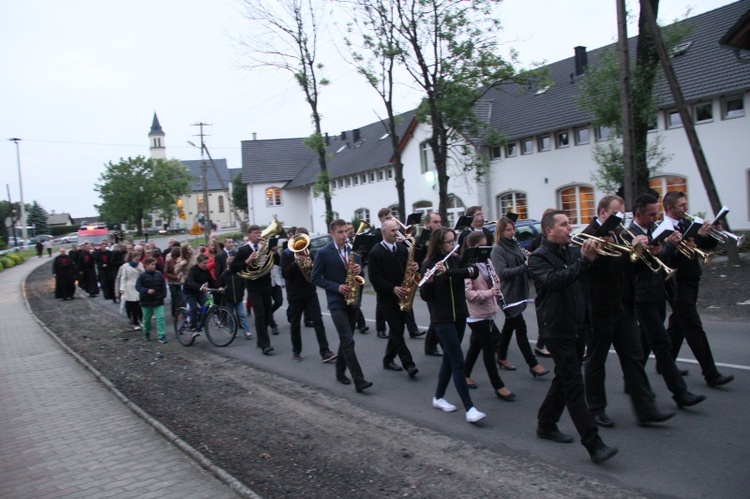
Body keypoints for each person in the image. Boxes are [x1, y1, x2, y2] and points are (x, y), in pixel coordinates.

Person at [528, 210, 617, 464]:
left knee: (564, 378)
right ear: (549, 231)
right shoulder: (538, 258)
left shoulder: (570, 250)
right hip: (556, 329)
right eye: (564, 224)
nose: (570, 228)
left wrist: (599, 253)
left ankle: (546, 423)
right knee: (575, 385)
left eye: (569, 223)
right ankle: (594, 443)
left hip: (576, 325)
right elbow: (556, 281)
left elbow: (587, 274)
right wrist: (585, 261)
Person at [583, 195, 674, 428]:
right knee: (596, 360)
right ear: (603, 213)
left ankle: (645, 410)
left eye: (623, 214)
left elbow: (630, 267)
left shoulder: (622, 234)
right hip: (600, 308)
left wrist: (647, 253)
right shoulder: (588, 234)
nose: (621, 218)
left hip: (624, 306)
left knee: (634, 358)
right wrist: (629, 251)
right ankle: (596, 409)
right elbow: (598, 271)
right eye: (616, 213)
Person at [629, 194, 707, 409]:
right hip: (642, 296)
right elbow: (633, 268)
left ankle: (631, 381)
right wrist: (655, 250)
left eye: (656, 214)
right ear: (638, 214)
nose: (655, 218)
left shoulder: (653, 231)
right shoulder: (630, 234)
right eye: (651, 214)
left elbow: (663, 260)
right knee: (662, 342)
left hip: (659, 292)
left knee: (644, 342)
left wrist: (669, 247)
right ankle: (680, 392)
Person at [662, 191, 734, 387]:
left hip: (692, 280)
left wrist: (713, 232)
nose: (686, 208)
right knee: (693, 328)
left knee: (678, 324)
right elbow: (672, 258)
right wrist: (698, 237)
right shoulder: (665, 230)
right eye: (681, 205)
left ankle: (665, 362)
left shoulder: (686, 224)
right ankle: (711, 374)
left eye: (686, 204)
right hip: (677, 284)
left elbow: (702, 247)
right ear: (669, 208)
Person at [420, 227, 486, 423]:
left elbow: (472, 273)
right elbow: (425, 296)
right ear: (439, 244)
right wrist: (430, 281)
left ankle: (438, 397)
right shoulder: (429, 264)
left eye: (453, 241)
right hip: (442, 319)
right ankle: (470, 409)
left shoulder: (456, 260)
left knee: (449, 358)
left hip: (460, 315)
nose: (453, 245)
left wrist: (448, 272)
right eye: (449, 242)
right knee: (458, 360)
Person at [311, 219, 373, 393]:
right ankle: (359, 380)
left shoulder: (353, 249)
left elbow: (360, 268)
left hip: (352, 300)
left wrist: (359, 270)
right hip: (336, 302)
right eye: (340, 232)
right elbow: (315, 278)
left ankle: (339, 372)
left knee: (347, 339)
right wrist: (336, 287)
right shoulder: (323, 252)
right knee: (348, 340)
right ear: (332, 233)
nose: (345, 235)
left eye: (346, 231)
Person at [491, 217, 549, 378]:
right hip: (507, 294)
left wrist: (528, 259)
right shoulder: (497, 249)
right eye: (508, 230)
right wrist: (524, 266)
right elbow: (502, 273)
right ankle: (533, 364)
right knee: (520, 328)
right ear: (501, 231)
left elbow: (523, 262)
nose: (512, 232)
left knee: (510, 326)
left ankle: (501, 357)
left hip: (519, 290)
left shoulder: (515, 245)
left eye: (513, 229)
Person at [461, 231, 515, 401]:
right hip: (475, 314)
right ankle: (498, 386)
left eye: (485, 246)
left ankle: (465, 373)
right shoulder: (468, 265)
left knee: (476, 345)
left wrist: (496, 283)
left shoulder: (487, 261)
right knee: (488, 346)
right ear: (471, 247)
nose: (483, 250)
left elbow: (496, 279)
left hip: (488, 311)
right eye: (479, 247)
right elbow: (468, 294)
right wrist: (489, 292)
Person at [368, 219, 419, 377]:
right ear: (383, 232)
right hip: (387, 299)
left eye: (397, 230)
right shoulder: (375, 252)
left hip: (403, 295)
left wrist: (414, 268)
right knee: (397, 331)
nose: (396, 233)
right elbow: (374, 278)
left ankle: (388, 359)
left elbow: (406, 269)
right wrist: (392, 288)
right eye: (392, 231)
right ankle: (409, 364)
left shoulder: (402, 249)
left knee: (397, 330)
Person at [280, 227, 336, 363]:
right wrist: (296, 263)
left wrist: (310, 263)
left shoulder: (310, 253)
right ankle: (296, 352)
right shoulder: (287, 254)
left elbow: (316, 272)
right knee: (295, 324)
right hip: (294, 294)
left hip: (310, 292)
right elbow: (285, 273)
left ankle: (325, 351)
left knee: (318, 321)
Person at [231, 225, 275, 355]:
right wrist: (247, 261)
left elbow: (275, 262)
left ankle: (260, 340)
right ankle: (265, 344)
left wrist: (275, 252)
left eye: (259, 232)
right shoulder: (243, 250)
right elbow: (233, 268)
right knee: (260, 314)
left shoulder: (265, 248)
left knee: (267, 314)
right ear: (249, 235)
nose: (258, 235)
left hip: (266, 285)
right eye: (255, 233)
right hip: (253, 286)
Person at [418, 212, 443, 357]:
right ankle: (431, 345)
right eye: (435, 222)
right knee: (436, 314)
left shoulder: (440, 237)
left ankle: (430, 345)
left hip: (439, 276)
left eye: (439, 222)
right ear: (427, 224)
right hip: (427, 277)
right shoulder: (422, 239)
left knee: (436, 314)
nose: (438, 224)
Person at [218, 256, 252, 341]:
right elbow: (220, 284)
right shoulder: (224, 274)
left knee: (242, 315)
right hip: (228, 299)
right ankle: (231, 331)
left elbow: (243, 284)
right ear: (227, 265)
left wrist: (241, 292)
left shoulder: (239, 273)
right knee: (230, 316)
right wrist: (221, 289)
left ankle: (246, 331)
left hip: (238, 298)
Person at [136, 257, 168, 343]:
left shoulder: (159, 274)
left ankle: (162, 336)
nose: (154, 266)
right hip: (146, 301)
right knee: (146, 319)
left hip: (158, 300)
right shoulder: (142, 276)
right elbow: (138, 287)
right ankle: (146, 332)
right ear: (146, 265)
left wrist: (163, 295)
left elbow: (163, 285)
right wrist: (146, 291)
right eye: (152, 264)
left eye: (155, 264)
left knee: (160, 318)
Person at [184, 254, 217, 336]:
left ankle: (199, 324)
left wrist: (219, 287)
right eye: (204, 263)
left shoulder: (206, 271)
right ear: (198, 263)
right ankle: (192, 327)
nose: (206, 265)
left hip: (199, 291)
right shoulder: (193, 270)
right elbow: (190, 282)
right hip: (189, 292)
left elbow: (212, 281)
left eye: (207, 263)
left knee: (206, 307)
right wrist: (201, 287)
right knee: (194, 308)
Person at [119, 252, 144, 331]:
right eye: (136, 259)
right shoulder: (125, 266)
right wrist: (122, 288)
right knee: (133, 306)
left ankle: (141, 320)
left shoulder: (140, 265)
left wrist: (140, 270)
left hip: (138, 285)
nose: (137, 261)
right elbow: (123, 278)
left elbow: (143, 274)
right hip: (129, 287)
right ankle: (135, 322)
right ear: (132, 258)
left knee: (140, 305)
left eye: (138, 259)